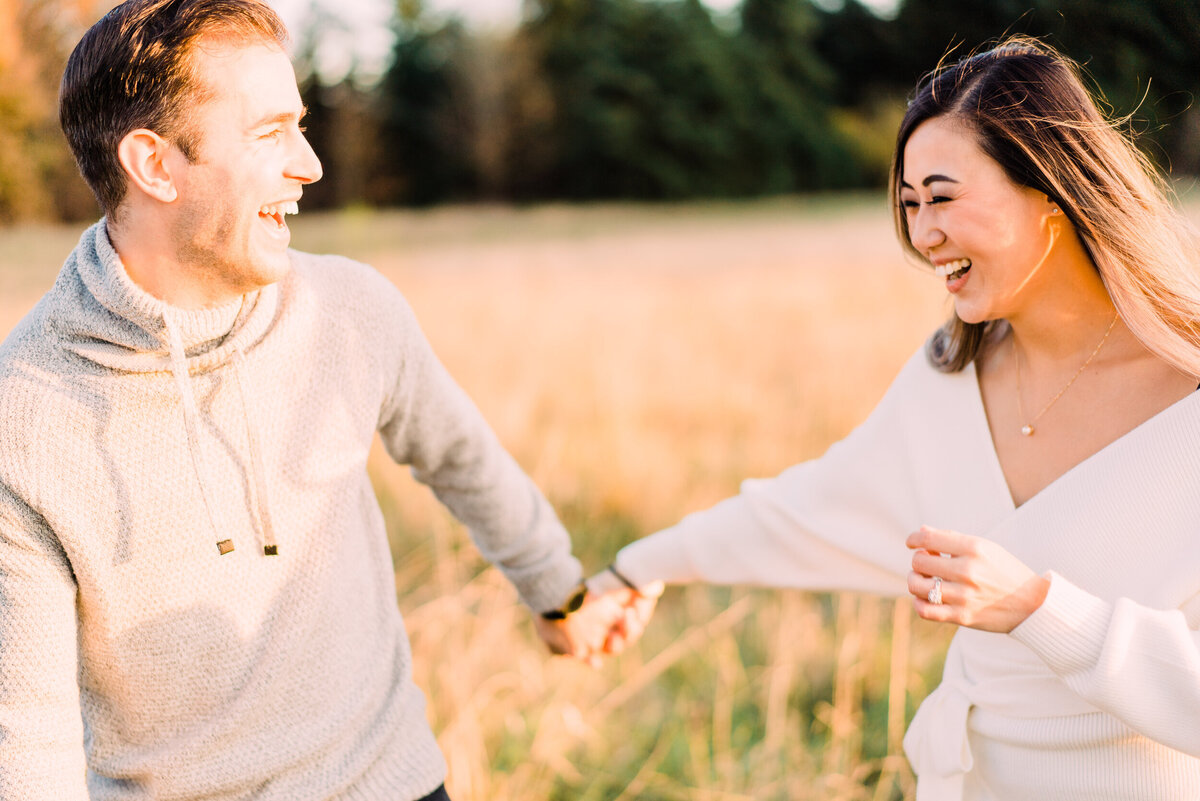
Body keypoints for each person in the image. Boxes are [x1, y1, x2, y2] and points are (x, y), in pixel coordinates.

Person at [0, 0, 641, 798]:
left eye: (299, 125)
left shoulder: (350, 311)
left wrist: (560, 589)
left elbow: (459, 455)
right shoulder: (23, 422)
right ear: (154, 165)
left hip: (394, 781)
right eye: (270, 133)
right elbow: (28, 744)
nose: (310, 164)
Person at [587, 37, 1200, 800]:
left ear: (1049, 191)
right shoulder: (949, 374)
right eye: (909, 204)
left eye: (942, 197)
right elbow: (801, 511)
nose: (922, 234)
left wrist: (1042, 609)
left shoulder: (1187, 409)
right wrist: (636, 568)